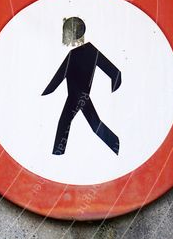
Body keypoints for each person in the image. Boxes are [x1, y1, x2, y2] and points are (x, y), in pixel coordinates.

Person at [42, 17, 121, 155]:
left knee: (65, 122)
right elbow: (114, 72)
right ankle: (114, 143)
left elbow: (59, 77)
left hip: (76, 95)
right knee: (94, 124)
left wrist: (45, 92)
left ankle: (57, 154)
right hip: (82, 94)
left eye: (66, 33)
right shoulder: (92, 50)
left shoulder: (73, 54)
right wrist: (114, 85)